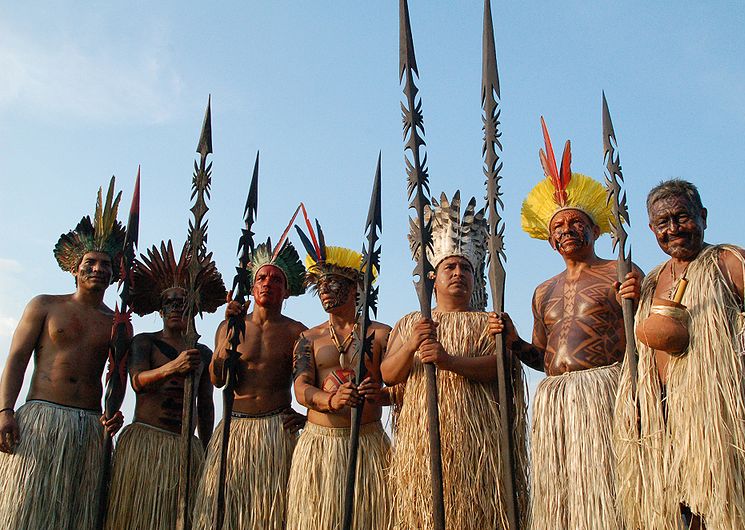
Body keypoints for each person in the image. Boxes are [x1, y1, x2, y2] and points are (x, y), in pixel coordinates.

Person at [614, 179, 745, 530]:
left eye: (682, 217)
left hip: (722, 420)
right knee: (684, 511)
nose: (673, 229)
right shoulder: (654, 279)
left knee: (730, 510)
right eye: (662, 224)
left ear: (702, 216)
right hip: (666, 421)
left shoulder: (731, 262)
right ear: (651, 229)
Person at [492, 118, 640, 530]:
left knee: (611, 497)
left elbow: (643, 339)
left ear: (595, 228)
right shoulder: (543, 291)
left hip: (606, 393)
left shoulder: (621, 272)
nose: (567, 229)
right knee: (566, 503)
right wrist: (515, 341)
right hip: (556, 400)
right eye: (558, 225)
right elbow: (542, 359)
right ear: (549, 238)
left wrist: (638, 298)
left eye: (576, 223)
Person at [381, 192, 528, 530]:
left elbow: (503, 369)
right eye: (450, 266)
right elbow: (389, 374)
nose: (458, 273)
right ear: (433, 275)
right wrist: (410, 346)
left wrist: (448, 360)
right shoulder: (410, 323)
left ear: (476, 278)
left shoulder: (488, 322)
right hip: (425, 444)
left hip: (479, 444)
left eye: (466, 268)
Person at [0, 178, 126, 529]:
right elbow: (16, 360)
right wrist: (5, 410)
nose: (98, 269)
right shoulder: (44, 305)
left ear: (114, 274)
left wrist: (112, 415)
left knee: (76, 515)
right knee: (25, 511)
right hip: (42, 419)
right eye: (91, 262)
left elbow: (117, 378)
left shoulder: (117, 324)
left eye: (106, 264)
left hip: (88, 425)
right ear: (75, 267)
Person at [103, 240, 225, 529]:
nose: (175, 308)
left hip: (185, 447)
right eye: (169, 302)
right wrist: (173, 367)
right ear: (160, 309)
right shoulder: (145, 342)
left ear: (193, 309)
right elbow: (138, 382)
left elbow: (205, 404)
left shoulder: (204, 353)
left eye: (182, 303)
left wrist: (207, 450)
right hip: (147, 441)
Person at [193, 239, 307, 530]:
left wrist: (307, 418)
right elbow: (217, 379)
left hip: (275, 433)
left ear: (287, 290)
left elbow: (310, 383)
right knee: (224, 513)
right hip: (235, 430)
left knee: (271, 514)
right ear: (253, 287)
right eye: (262, 278)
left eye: (276, 279)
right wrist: (228, 334)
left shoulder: (297, 332)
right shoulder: (229, 325)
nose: (268, 283)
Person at [286, 229, 393, 530]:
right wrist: (330, 400)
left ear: (356, 286)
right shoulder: (308, 338)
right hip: (320, 446)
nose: (324, 291)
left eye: (332, 283)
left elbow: (402, 386)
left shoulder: (381, 334)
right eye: (320, 285)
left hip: (368, 443)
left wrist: (380, 394)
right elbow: (301, 388)